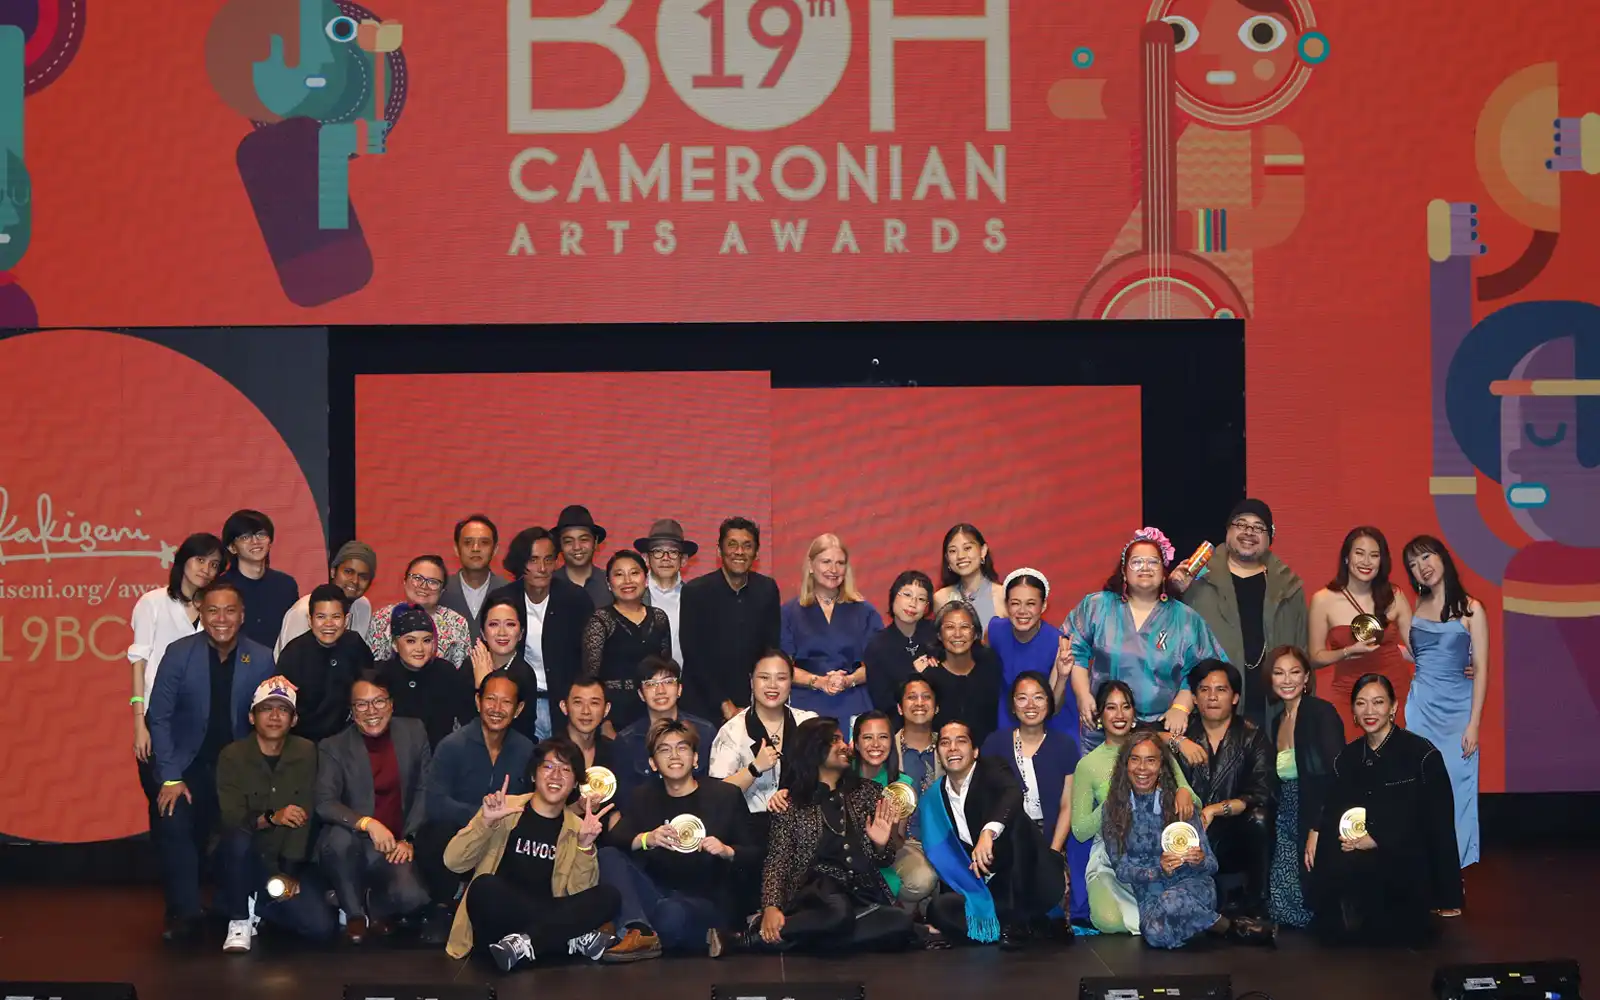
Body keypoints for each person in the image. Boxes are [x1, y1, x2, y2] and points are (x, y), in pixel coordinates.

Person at [145, 580, 276, 943]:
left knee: (239, 833)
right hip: (186, 766)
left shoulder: (261, 658)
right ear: (201, 614)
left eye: (230, 611)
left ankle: (232, 905)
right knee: (174, 822)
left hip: (236, 770)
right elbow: (159, 717)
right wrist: (170, 777)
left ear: (242, 615)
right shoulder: (178, 653)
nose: (221, 619)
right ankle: (184, 913)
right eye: (213, 610)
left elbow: (270, 722)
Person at [719, 718, 913, 955]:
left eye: (843, 739)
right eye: (835, 740)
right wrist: (771, 906)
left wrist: (881, 845)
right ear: (815, 749)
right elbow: (778, 861)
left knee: (899, 921)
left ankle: (786, 937)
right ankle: (754, 938)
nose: (845, 746)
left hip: (860, 895)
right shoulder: (791, 803)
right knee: (838, 913)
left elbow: (885, 859)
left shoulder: (868, 792)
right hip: (815, 894)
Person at [1310, 674, 1462, 946]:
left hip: (1406, 865)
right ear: (1353, 710)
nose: (1369, 711)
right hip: (1358, 861)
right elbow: (1334, 810)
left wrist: (1378, 838)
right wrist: (1325, 832)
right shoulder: (1347, 758)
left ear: (1393, 707)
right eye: (1361, 703)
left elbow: (1436, 825)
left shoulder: (1422, 755)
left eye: (1378, 702)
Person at [443, 739, 620, 968]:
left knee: (609, 896)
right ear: (534, 775)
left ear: (576, 783)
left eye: (566, 769)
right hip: (503, 917)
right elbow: (453, 862)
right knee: (483, 887)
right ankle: (564, 939)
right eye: (548, 766)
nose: (556, 775)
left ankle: (527, 945)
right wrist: (485, 823)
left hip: (543, 913)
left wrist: (584, 846)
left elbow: (579, 895)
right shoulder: (504, 809)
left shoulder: (578, 828)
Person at [600, 719, 760, 959]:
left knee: (671, 914)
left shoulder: (725, 795)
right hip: (657, 893)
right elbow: (615, 840)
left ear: (695, 758)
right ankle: (640, 930)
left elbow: (755, 854)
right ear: (653, 763)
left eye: (682, 748)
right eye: (664, 750)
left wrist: (727, 851)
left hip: (706, 900)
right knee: (607, 856)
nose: (674, 755)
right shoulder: (643, 797)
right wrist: (647, 838)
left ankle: (649, 931)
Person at [1100, 731, 1274, 948]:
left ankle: (1213, 925)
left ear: (1161, 766)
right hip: (1150, 891)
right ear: (1125, 765)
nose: (1142, 768)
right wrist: (1158, 870)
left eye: (1151, 760)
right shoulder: (1113, 810)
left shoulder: (1180, 803)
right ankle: (1225, 926)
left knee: (1170, 902)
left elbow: (1211, 865)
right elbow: (1121, 869)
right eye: (1135, 759)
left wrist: (1199, 860)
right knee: (1154, 933)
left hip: (1193, 884)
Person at [1067, 527, 1228, 754]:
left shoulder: (1185, 619)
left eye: (1153, 562)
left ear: (1164, 572)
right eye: (1136, 562)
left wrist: (1181, 706)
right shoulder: (1097, 606)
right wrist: (1083, 696)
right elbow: (1074, 651)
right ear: (1124, 572)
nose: (1145, 568)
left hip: (1159, 732)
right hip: (1102, 728)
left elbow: (1205, 670)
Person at [215, 675, 339, 953]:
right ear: (251, 717)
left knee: (320, 927)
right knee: (237, 838)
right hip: (243, 856)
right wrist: (272, 817)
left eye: (283, 710)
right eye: (266, 709)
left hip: (283, 859)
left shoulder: (306, 751)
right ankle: (239, 917)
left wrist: (288, 875)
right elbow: (233, 819)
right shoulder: (232, 755)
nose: (274, 716)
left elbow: (304, 816)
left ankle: (256, 902)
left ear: (294, 720)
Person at [917, 719, 1065, 949]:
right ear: (939, 754)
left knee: (1017, 823)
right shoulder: (933, 799)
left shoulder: (992, 769)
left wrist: (989, 831)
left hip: (1026, 879)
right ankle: (1020, 926)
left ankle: (1020, 921)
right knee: (939, 909)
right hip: (988, 889)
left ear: (975, 751)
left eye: (961, 741)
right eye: (945, 743)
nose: (953, 748)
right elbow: (948, 860)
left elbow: (1012, 794)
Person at [315, 668, 433, 944]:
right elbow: (324, 802)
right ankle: (354, 913)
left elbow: (424, 790)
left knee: (414, 898)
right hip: (352, 842)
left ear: (391, 704)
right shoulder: (333, 746)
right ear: (352, 711)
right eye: (362, 704)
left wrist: (409, 839)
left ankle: (372, 903)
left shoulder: (414, 731)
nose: (371, 711)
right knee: (338, 839)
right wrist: (367, 824)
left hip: (394, 844)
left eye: (379, 701)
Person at [417, 672, 535, 945]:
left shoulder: (526, 749)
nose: (497, 708)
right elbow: (435, 802)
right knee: (432, 835)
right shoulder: (452, 746)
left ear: (518, 709)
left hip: (505, 834)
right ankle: (444, 906)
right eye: (490, 699)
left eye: (506, 702)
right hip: (461, 833)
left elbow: (532, 799)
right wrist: (483, 815)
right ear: (477, 701)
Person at [1071, 680, 1196, 936]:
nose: (1119, 715)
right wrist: (1114, 801)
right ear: (1099, 716)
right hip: (1112, 857)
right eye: (1111, 707)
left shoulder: (1155, 750)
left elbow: (1194, 801)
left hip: (1159, 854)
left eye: (1126, 707)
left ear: (1134, 714)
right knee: (1108, 921)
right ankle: (1160, 921)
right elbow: (1080, 830)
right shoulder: (1088, 765)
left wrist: (1184, 791)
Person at [1174, 500, 1309, 729]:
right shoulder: (1196, 580)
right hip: (1210, 709)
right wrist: (1172, 591)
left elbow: (1302, 652)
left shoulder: (1288, 587)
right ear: (1228, 530)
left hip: (1272, 707)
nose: (1249, 532)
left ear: (1270, 537)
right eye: (1241, 524)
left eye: (1258, 527)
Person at [1402, 535, 1488, 881]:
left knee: (1456, 788)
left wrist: (1474, 724)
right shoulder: (1414, 606)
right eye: (1413, 564)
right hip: (1421, 709)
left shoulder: (1472, 609)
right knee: (1420, 790)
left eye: (1426, 557)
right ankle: (1425, 872)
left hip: (1458, 714)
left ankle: (1454, 875)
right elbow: (1418, 653)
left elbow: (1481, 669)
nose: (1421, 567)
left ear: (1442, 557)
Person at [129, 532, 224, 833]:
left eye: (214, 565)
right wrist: (139, 723)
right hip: (159, 717)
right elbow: (139, 662)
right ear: (183, 560)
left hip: (200, 720)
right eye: (200, 560)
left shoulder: (215, 610)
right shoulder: (153, 602)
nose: (206, 570)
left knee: (200, 809)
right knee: (164, 807)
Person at [1167, 660, 1276, 918]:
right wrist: (1177, 741)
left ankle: (1257, 904)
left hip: (1232, 833)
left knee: (1260, 818)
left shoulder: (1252, 736)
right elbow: (1142, 737)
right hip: (1188, 830)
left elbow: (1262, 792)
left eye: (1221, 690)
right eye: (1204, 690)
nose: (1212, 697)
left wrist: (1217, 809)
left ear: (1235, 697)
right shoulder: (1184, 733)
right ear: (1194, 698)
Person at [981, 671, 1083, 926]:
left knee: (1052, 911)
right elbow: (988, 798)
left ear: (1049, 702)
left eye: (1038, 697)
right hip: (1007, 840)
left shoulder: (1065, 745)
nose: (1031, 705)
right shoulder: (995, 743)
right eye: (1022, 698)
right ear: (1012, 705)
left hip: (1050, 839)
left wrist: (1054, 853)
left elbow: (1067, 805)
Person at [1309, 527, 1415, 741]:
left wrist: (1458, 663)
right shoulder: (1323, 600)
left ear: (1382, 561)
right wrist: (1347, 651)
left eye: (1374, 555)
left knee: (1396, 757)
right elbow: (1314, 658)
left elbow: (1418, 649)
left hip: (1394, 691)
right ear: (1346, 557)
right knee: (1352, 756)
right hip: (1348, 695)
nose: (1366, 562)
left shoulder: (1395, 595)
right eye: (1359, 553)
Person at [1262, 645, 1343, 929]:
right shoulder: (1276, 720)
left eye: (1294, 672)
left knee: (1310, 904)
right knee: (1279, 904)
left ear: (1307, 677)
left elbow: (1337, 776)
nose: (1287, 680)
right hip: (1286, 811)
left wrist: (1317, 828)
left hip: (1318, 810)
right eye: (1279, 673)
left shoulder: (1321, 713)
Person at [487, 527, 590, 741]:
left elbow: (589, 658)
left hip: (565, 705)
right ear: (520, 562)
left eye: (548, 559)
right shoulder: (503, 600)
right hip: (518, 704)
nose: (542, 568)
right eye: (533, 560)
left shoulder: (576, 600)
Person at [680, 516, 782, 722]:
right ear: (719, 551)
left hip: (752, 703)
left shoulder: (767, 589)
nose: (739, 552)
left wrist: (759, 698)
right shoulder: (696, 591)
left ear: (756, 553)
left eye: (747, 546)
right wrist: (723, 703)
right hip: (702, 705)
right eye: (732, 545)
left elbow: (771, 649)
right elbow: (693, 654)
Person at [708, 651, 818, 831]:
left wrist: (793, 794)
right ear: (751, 681)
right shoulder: (732, 731)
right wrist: (754, 768)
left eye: (781, 678)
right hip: (750, 831)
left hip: (805, 828)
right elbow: (718, 797)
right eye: (764, 677)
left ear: (791, 682)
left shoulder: (808, 723)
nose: (772, 685)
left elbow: (827, 779)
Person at [781, 533, 880, 721]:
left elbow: (878, 666)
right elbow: (781, 668)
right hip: (806, 704)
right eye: (826, 562)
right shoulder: (789, 612)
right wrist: (818, 682)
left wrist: (849, 680)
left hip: (853, 703)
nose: (833, 570)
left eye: (840, 563)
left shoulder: (866, 612)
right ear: (811, 566)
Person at [851, 710, 937, 906]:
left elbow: (897, 843)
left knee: (922, 879)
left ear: (892, 742)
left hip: (884, 856)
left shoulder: (901, 785)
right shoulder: (841, 773)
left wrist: (890, 830)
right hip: (845, 857)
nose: (875, 744)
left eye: (883, 737)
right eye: (867, 737)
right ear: (856, 743)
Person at [582, 550, 673, 734]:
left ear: (645, 579)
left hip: (653, 709)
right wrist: (605, 722)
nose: (627, 581)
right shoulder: (601, 620)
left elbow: (666, 671)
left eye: (634, 573)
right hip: (615, 714)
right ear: (609, 583)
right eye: (619, 574)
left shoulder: (659, 617)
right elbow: (591, 678)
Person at [276, 583, 372, 742]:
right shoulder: (294, 653)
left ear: (346, 620)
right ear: (310, 620)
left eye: (336, 617)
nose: (329, 624)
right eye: (321, 617)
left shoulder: (355, 644)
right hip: (303, 740)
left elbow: (369, 684)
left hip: (347, 737)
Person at [988, 569, 1076, 740]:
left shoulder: (1057, 643)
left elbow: (1053, 708)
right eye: (1015, 603)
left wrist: (1062, 676)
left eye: (1030, 604)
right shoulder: (995, 630)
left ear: (1043, 606)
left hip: (1051, 728)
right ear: (1006, 605)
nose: (1022, 611)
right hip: (1009, 723)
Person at [613, 655, 718, 799]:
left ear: (679, 689)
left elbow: (714, 786)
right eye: (651, 684)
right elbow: (626, 797)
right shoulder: (627, 740)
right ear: (641, 694)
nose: (660, 690)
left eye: (668, 682)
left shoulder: (705, 732)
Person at [385, 603, 477, 750]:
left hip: (439, 756)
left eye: (426, 640)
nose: (419, 648)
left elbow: (468, 719)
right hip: (396, 757)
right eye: (410, 641)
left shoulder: (446, 673)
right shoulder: (383, 675)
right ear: (395, 644)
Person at [921, 600, 1004, 748]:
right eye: (950, 627)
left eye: (964, 627)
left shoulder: (991, 667)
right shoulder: (929, 678)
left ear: (975, 633)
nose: (957, 634)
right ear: (939, 634)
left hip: (990, 755)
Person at [275, 540, 377, 656]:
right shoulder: (303, 610)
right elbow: (287, 661)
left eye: (363, 577)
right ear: (333, 572)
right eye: (348, 572)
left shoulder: (363, 607)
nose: (355, 581)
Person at [368, 555, 471, 667]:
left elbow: (461, 671)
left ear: (442, 591)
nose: (424, 586)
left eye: (433, 582)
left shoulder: (456, 623)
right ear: (404, 581)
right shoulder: (382, 618)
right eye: (417, 578)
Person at [220, 509, 300, 650]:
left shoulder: (286, 585)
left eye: (261, 534)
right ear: (232, 548)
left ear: (270, 541)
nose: (255, 541)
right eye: (245, 537)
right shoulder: (220, 588)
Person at [864, 570, 940, 715]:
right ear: (894, 596)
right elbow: (882, 702)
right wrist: (913, 673)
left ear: (927, 606)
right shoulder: (877, 646)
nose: (913, 604)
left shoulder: (937, 634)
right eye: (907, 595)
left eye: (921, 599)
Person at [636, 518, 696, 667]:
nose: (665, 558)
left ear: (683, 560)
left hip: (686, 679)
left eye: (673, 552)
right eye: (658, 551)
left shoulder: (696, 598)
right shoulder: (633, 597)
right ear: (646, 558)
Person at [441, 515, 506, 644]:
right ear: (456, 549)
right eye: (467, 542)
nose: (475, 548)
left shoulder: (509, 591)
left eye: (484, 543)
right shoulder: (440, 591)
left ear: (495, 550)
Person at [932, 523, 1007, 628]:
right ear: (947, 558)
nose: (960, 556)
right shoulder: (940, 598)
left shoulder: (1003, 595)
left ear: (983, 551)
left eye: (967, 548)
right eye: (953, 551)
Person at [554, 504, 613, 608]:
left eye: (584, 539)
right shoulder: (548, 585)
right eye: (568, 541)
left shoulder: (611, 583)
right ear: (560, 545)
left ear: (595, 542)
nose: (577, 547)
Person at [893, 675, 942, 793]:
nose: (919, 703)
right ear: (900, 708)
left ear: (936, 708)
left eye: (926, 697)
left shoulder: (948, 748)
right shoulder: (887, 749)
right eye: (912, 697)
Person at [563, 676, 621, 775]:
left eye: (594, 703)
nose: (586, 711)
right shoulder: (548, 754)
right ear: (564, 707)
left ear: (606, 709)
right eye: (578, 703)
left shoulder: (617, 753)